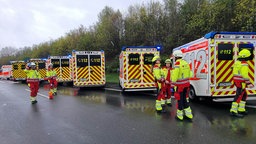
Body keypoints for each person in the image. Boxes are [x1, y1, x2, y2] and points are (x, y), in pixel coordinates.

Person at [230, 49, 253, 117]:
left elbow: (232, 69)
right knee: (239, 96)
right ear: (245, 56)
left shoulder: (237, 62)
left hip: (237, 81)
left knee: (244, 95)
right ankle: (233, 111)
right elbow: (245, 76)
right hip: (241, 82)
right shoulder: (244, 64)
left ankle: (241, 109)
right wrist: (249, 83)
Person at [171, 50, 193, 121]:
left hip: (179, 86)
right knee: (184, 99)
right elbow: (190, 73)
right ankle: (188, 115)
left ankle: (180, 116)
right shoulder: (186, 63)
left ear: (176, 56)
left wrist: (172, 82)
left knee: (179, 100)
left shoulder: (177, 64)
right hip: (186, 85)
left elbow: (175, 75)